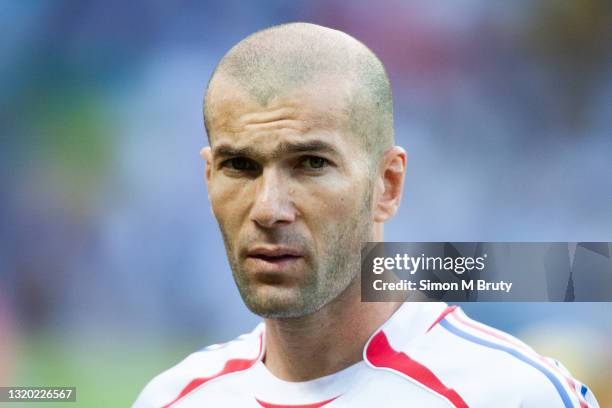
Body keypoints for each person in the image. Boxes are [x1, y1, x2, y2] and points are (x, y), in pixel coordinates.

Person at [133, 23, 598, 407]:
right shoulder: (172, 398)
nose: (269, 208)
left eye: (311, 163)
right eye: (240, 166)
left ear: (387, 184)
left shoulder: (509, 395)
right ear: (208, 175)